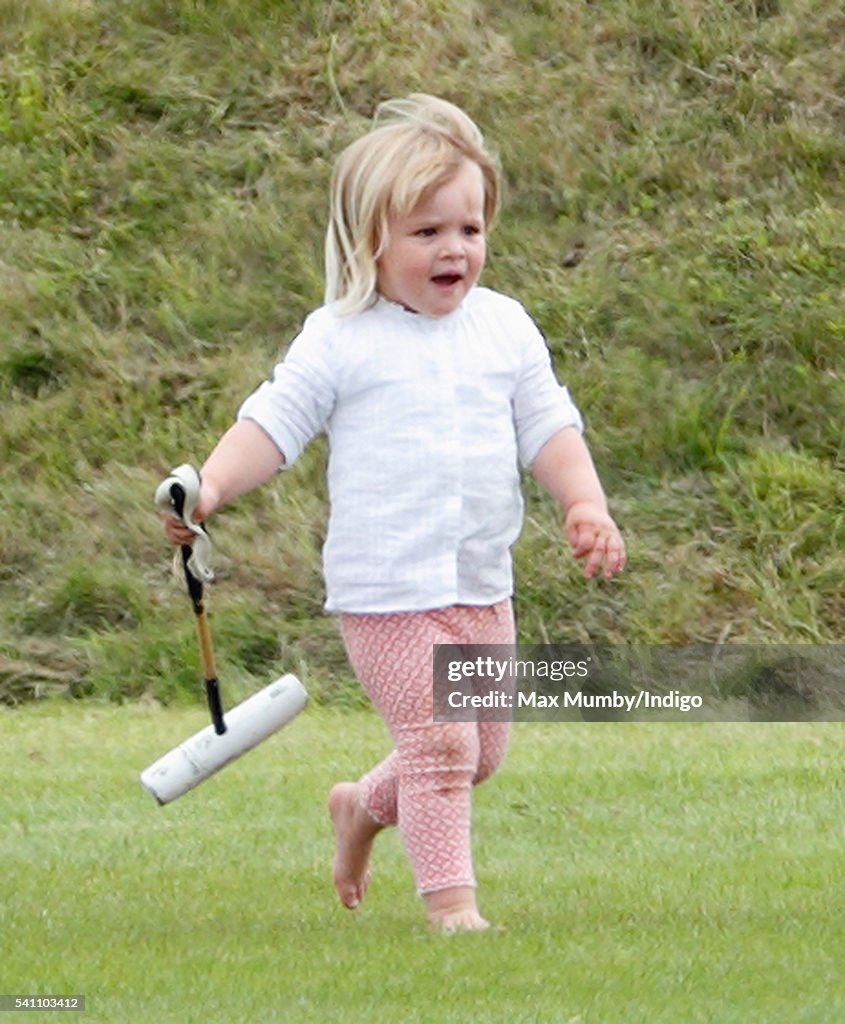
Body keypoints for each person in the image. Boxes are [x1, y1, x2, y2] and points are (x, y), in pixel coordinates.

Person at [161, 94, 626, 932]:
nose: (455, 249)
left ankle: (360, 808)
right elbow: (275, 421)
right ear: (368, 240)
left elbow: (548, 424)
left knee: (476, 754)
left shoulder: (505, 329)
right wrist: (212, 487)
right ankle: (454, 913)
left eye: (469, 230)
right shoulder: (341, 337)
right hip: (387, 593)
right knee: (441, 746)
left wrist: (583, 501)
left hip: (482, 584)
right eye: (426, 233)